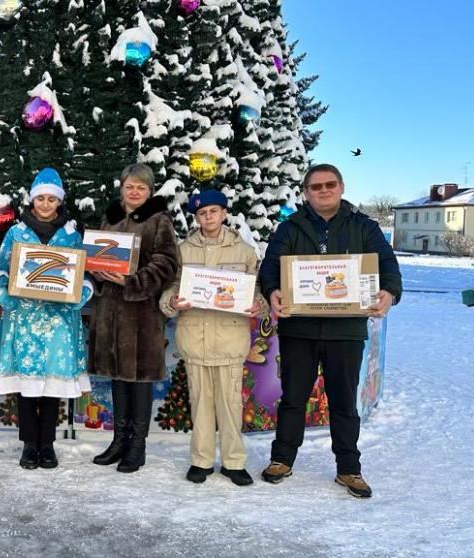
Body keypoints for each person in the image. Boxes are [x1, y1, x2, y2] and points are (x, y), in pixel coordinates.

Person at [257, 163, 402, 498]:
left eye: (329, 185)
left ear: (342, 187)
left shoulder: (363, 227)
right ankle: (282, 459)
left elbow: (387, 263)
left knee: (343, 402)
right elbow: (271, 266)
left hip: (345, 331)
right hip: (300, 330)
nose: (323, 191)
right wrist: (272, 290)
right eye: (316, 186)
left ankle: (349, 468)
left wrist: (389, 292)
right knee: (293, 398)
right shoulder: (290, 227)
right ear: (305, 192)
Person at [0, 168, 93, 470]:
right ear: (32, 201)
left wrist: (81, 293)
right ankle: (28, 444)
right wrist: (4, 291)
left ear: (59, 202)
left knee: (51, 389)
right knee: (27, 388)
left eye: (51, 199)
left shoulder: (73, 235)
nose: (46, 204)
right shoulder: (16, 232)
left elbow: (84, 272)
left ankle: (47, 445)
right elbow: (2, 268)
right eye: (41, 199)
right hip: (24, 319)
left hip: (58, 322)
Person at [159, 190, 262, 486]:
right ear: (196, 217)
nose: (208, 218)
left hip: (229, 339)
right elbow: (171, 287)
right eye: (203, 213)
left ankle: (233, 462)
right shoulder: (183, 250)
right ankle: (201, 461)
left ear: (224, 213)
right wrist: (172, 301)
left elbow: (256, 290)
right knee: (200, 403)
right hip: (195, 338)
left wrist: (258, 304)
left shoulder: (243, 251)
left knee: (230, 406)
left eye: (214, 212)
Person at [88, 163, 180, 473]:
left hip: (141, 315)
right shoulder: (109, 219)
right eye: (130, 186)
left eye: (141, 187)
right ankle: (119, 440)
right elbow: (96, 258)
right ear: (122, 187)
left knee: (138, 379)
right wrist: (97, 274)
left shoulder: (159, 221)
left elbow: (167, 265)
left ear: (150, 191)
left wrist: (130, 281)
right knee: (117, 377)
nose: (135, 191)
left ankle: (137, 445)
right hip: (109, 314)